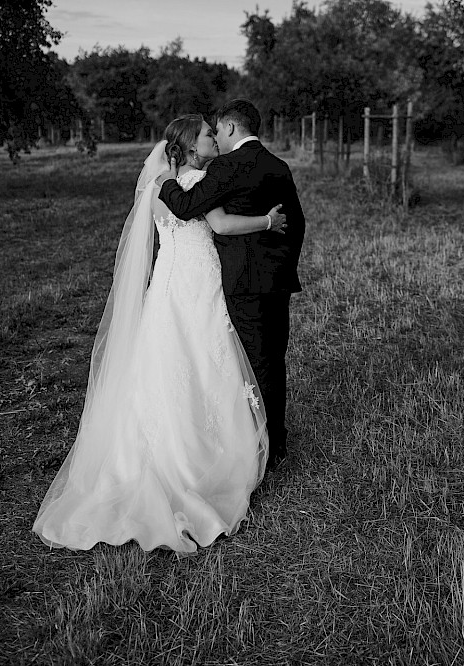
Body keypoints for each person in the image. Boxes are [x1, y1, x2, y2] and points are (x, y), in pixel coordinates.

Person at [33, 114, 289, 553]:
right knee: (204, 362)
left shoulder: (156, 190)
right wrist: (268, 221)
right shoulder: (195, 183)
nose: (214, 138)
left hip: (167, 287)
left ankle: (155, 454)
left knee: (164, 365)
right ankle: (202, 460)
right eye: (208, 134)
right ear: (191, 147)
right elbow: (224, 226)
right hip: (197, 285)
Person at [157, 99, 305, 472]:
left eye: (218, 130)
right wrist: (282, 265)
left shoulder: (226, 166)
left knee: (254, 364)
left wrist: (165, 183)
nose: (217, 137)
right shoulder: (279, 165)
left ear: (231, 128)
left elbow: (188, 206)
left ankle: (263, 446)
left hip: (242, 281)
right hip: (277, 281)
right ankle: (276, 441)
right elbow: (297, 224)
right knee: (273, 359)